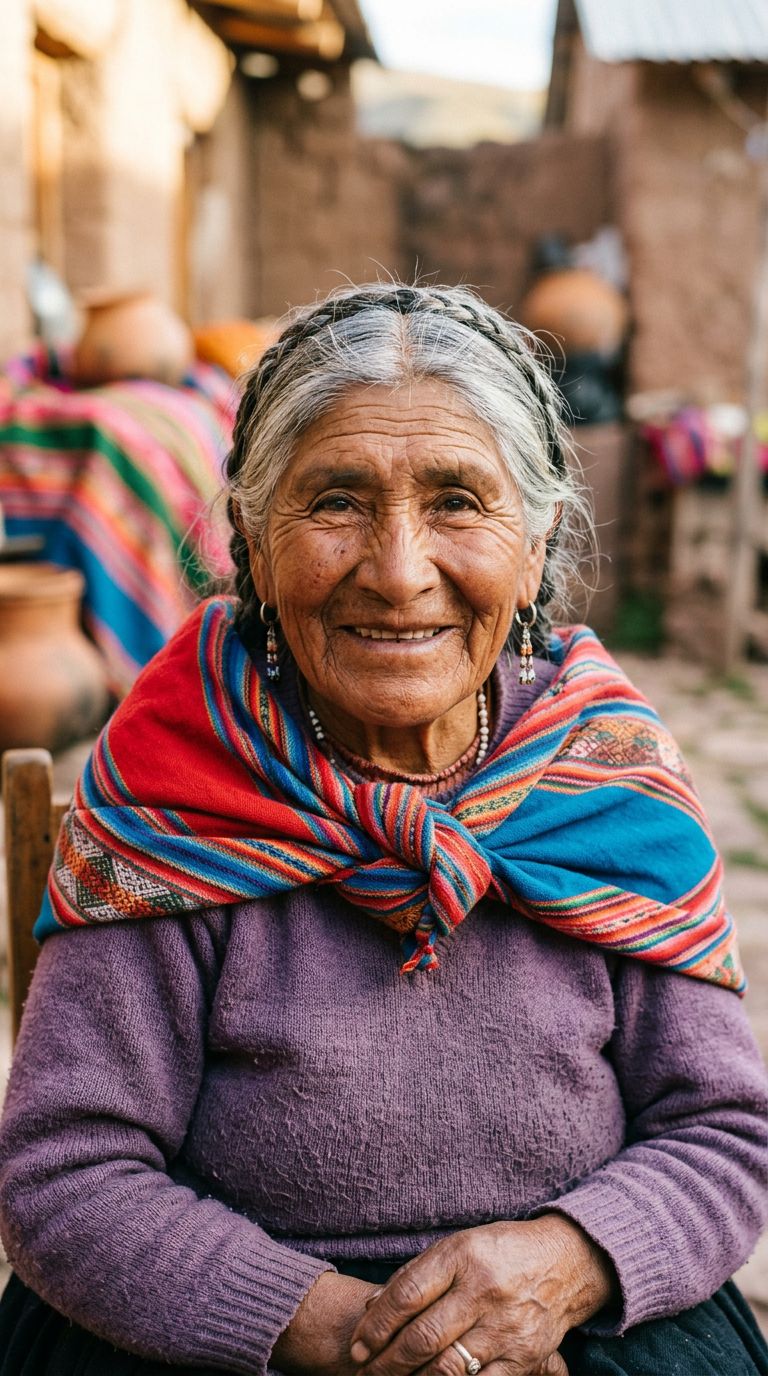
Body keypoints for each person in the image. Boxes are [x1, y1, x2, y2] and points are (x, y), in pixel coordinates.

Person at [0, 282, 766, 1376]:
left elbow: (725, 1138)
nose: (400, 570)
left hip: (566, 1327)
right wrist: (338, 1330)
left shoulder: (610, 777)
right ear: (255, 544)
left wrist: (573, 1260)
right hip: (222, 1333)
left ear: (539, 535)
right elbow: (65, 1174)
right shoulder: (182, 776)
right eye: (337, 503)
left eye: (457, 500)